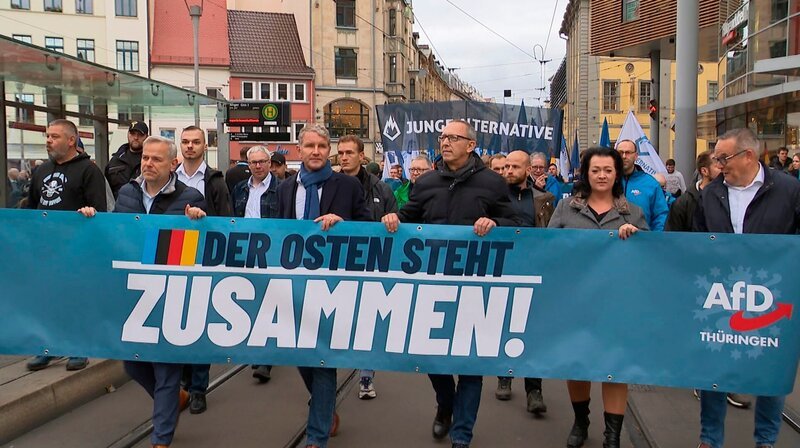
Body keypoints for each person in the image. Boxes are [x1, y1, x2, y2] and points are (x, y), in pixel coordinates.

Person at [381, 119, 521, 448]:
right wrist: (394, 218)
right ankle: (445, 404)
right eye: (442, 137)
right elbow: (409, 215)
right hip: (433, 287)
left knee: (471, 365)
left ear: (470, 145)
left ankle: (462, 436)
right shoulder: (427, 182)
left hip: (476, 289)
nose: (445, 142)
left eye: (453, 137)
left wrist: (495, 222)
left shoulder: (492, 183)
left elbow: (516, 221)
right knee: (433, 358)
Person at [79, 135, 206, 448]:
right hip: (134, 294)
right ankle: (174, 398)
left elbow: (201, 248)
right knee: (133, 363)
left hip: (170, 295)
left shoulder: (191, 197)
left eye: (156, 159)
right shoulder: (127, 192)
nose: (148, 163)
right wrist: (93, 221)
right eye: (146, 158)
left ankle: (160, 438)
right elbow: (117, 235)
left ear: (173, 164)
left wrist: (200, 222)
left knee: (166, 366)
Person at [694, 128, 800, 448]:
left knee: (771, 369)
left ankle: (765, 441)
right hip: (720, 294)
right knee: (714, 365)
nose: (718, 163)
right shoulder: (711, 193)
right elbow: (698, 240)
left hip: (773, 294)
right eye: (716, 157)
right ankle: (709, 439)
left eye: (723, 157)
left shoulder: (789, 189)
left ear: (749, 156)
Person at [276, 124, 370, 448]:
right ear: (298, 150)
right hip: (296, 285)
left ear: (328, 151)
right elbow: (275, 234)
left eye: (321, 146)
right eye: (309, 146)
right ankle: (325, 407)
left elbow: (368, 227)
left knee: (322, 359)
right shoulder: (286, 189)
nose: (315, 151)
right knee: (300, 355)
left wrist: (345, 225)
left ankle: (316, 437)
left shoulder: (347, 185)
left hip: (334, 285)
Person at [549, 146, 648, 448]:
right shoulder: (566, 208)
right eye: (596, 170)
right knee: (578, 363)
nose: (602, 175)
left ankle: (612, 435)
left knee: (614, 368)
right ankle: (581, 422)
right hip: (576, 302)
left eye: (608, 170)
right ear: (586, 174)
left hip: (618, 303)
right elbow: (549, 249)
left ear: (617, 173)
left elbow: (650, 259)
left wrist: (637, 237)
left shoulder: (633, 212)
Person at [25, 119, 107, 372]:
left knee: (76, 298)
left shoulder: (89, 171)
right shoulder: (40, 171)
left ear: (71, 140)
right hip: (46, 249)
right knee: (47, 299)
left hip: (77, 249)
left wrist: (89, 215)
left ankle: (78, 347)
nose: (48, 140)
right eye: (47, 136)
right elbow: (32, 207)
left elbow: (100, 211)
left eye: (55, 136)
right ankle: (48, 347)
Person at [175, 125, 232, 414]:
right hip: (174, 257)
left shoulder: (215, 181)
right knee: (176, 323)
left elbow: (225, 221)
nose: (190, 146)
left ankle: (198, 388)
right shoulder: (170, 179)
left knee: (199, 326)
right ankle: (182, 384)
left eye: (195, 142)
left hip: (205, 258)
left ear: (204, 145)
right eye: (185, 142)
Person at [337, 135, 397, 400]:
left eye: (349, 152)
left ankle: (365, 374)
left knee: (367, 322)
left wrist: (393, 218)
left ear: (362, 156)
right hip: (338, 265)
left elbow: (397, 221)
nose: (344, 157)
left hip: (372, 265)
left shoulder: (381, 189)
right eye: (340, 152)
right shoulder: (331, 185)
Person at [494, 150, 554, 414]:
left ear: (528, 170)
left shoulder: (543, 200)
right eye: (506, 166)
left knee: (534, 331)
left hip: (533, 271)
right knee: (503, 325)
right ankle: (504, 376)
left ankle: (534, 389)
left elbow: (554, 235)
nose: (509, 171)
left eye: (515, 167)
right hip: (502, 270)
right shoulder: (493, 199)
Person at [230, 146, 280, 384]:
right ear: (247, 164)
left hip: (272, 253)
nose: (258, 166)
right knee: (251, 301)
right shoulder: (239, 189)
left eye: (262, 161)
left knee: (269, 303)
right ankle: (257, 348)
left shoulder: (281, 189)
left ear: (270, 163)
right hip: (246, 252)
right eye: (254, 162)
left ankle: (266, 359)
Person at [616, 140, 669, 231]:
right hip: (612, 240)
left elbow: (660, 215)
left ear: (636, 156)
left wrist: (655, 238)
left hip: (642, 240)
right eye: (620, 153)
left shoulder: (650, 183)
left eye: (628, 152)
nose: (624, 156)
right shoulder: (608, 181)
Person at [665, 151, 720, 232]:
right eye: (717, 165)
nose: (722, 167)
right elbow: (672, 238)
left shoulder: (729, 197)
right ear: (704, 171)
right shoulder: (683, 204)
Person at [105, 121, 148, 198]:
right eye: (132, 134)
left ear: (146, 137)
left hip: (143, 208)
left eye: (140, 135)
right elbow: (106, 190)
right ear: (128, 134)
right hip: (118, 207)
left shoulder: (150, 161)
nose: (136, 137)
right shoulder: (115, 161)